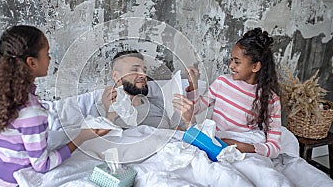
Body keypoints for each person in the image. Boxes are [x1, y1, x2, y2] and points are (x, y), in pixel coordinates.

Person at [0, 25, 110, 187]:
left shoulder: (4, 96)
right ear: (31, 62)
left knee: (83, 168)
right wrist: (81, 137)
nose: (51, 59)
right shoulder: (31, 112)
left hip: (2, 181)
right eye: (47, 53)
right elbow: (42, 165)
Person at [181, 28, 281, 158]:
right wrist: (193, 85)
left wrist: (240, 146)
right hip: (217, 143)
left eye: (237, 62)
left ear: (255, 66)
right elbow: (196, 108)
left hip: (245, 150)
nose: (231, 66)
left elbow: (274, 148)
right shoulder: (222, 82)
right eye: (232, 60)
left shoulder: (271, 99)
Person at [94, 50, 195, 130]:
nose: (143, 75)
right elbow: (105, 147)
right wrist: (110, 114)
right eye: (134, 70)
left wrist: (189, 121)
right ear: (116, 76)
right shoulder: (102, 109)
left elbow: (186, 139)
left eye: (144, 71)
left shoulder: (161, 105)